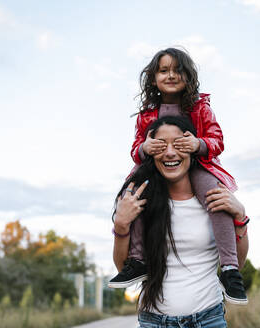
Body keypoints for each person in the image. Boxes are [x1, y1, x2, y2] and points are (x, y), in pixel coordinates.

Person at [108, 48, 248, 304]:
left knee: (217, 197)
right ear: (153, 78)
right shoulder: (147, 114)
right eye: (163, 70)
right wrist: (144, 149)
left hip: (198, 164)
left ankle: (229, 269)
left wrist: (198, 144)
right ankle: (138, 260)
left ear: (189, 76)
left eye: (177, 70)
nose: (171, 75)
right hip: (154, 168)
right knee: (133, 192)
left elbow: (217, 140)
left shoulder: (201, 108)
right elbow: (135, 148)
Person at [112, 116, 249, 327]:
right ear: (149, 151)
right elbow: (123, 267)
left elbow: (237, 264)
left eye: (178, 144)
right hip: (154, 321)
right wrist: (121, 225)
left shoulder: (213, 198)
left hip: (208, 319)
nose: (169, 152)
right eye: (160, 145)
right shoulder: (140, 200)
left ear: (192, 148)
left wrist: (240, 217)